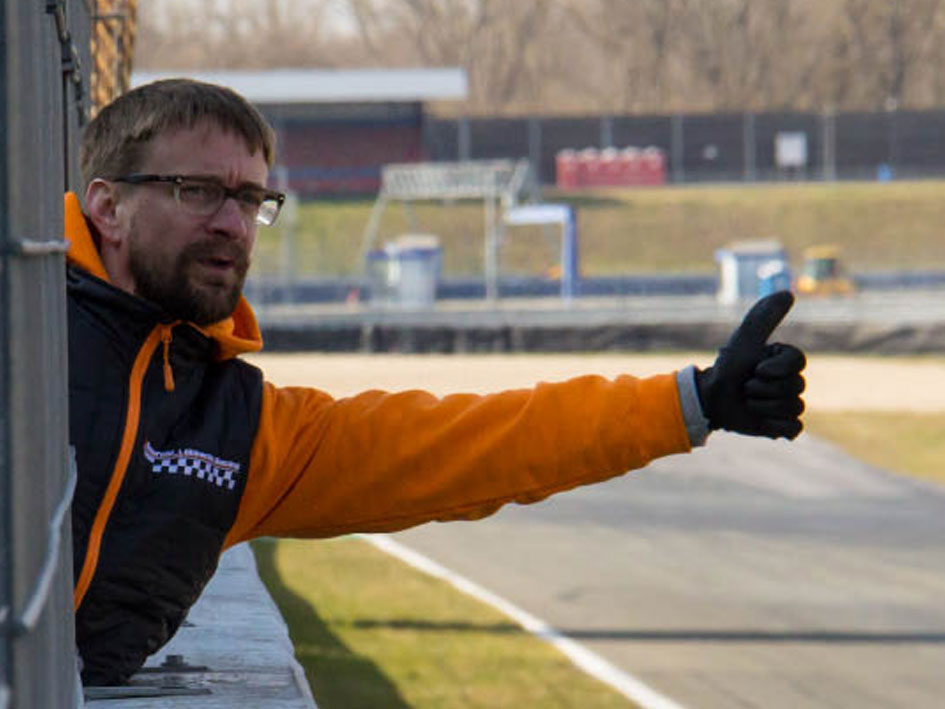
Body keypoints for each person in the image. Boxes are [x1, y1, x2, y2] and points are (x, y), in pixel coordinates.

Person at [65, 78, 806, 686]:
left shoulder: (243, 427)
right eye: (198, 190)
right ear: (108, 206)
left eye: (252, 198)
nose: (233, 222)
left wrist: (694, 401)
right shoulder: (30, 331)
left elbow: (474, 444)